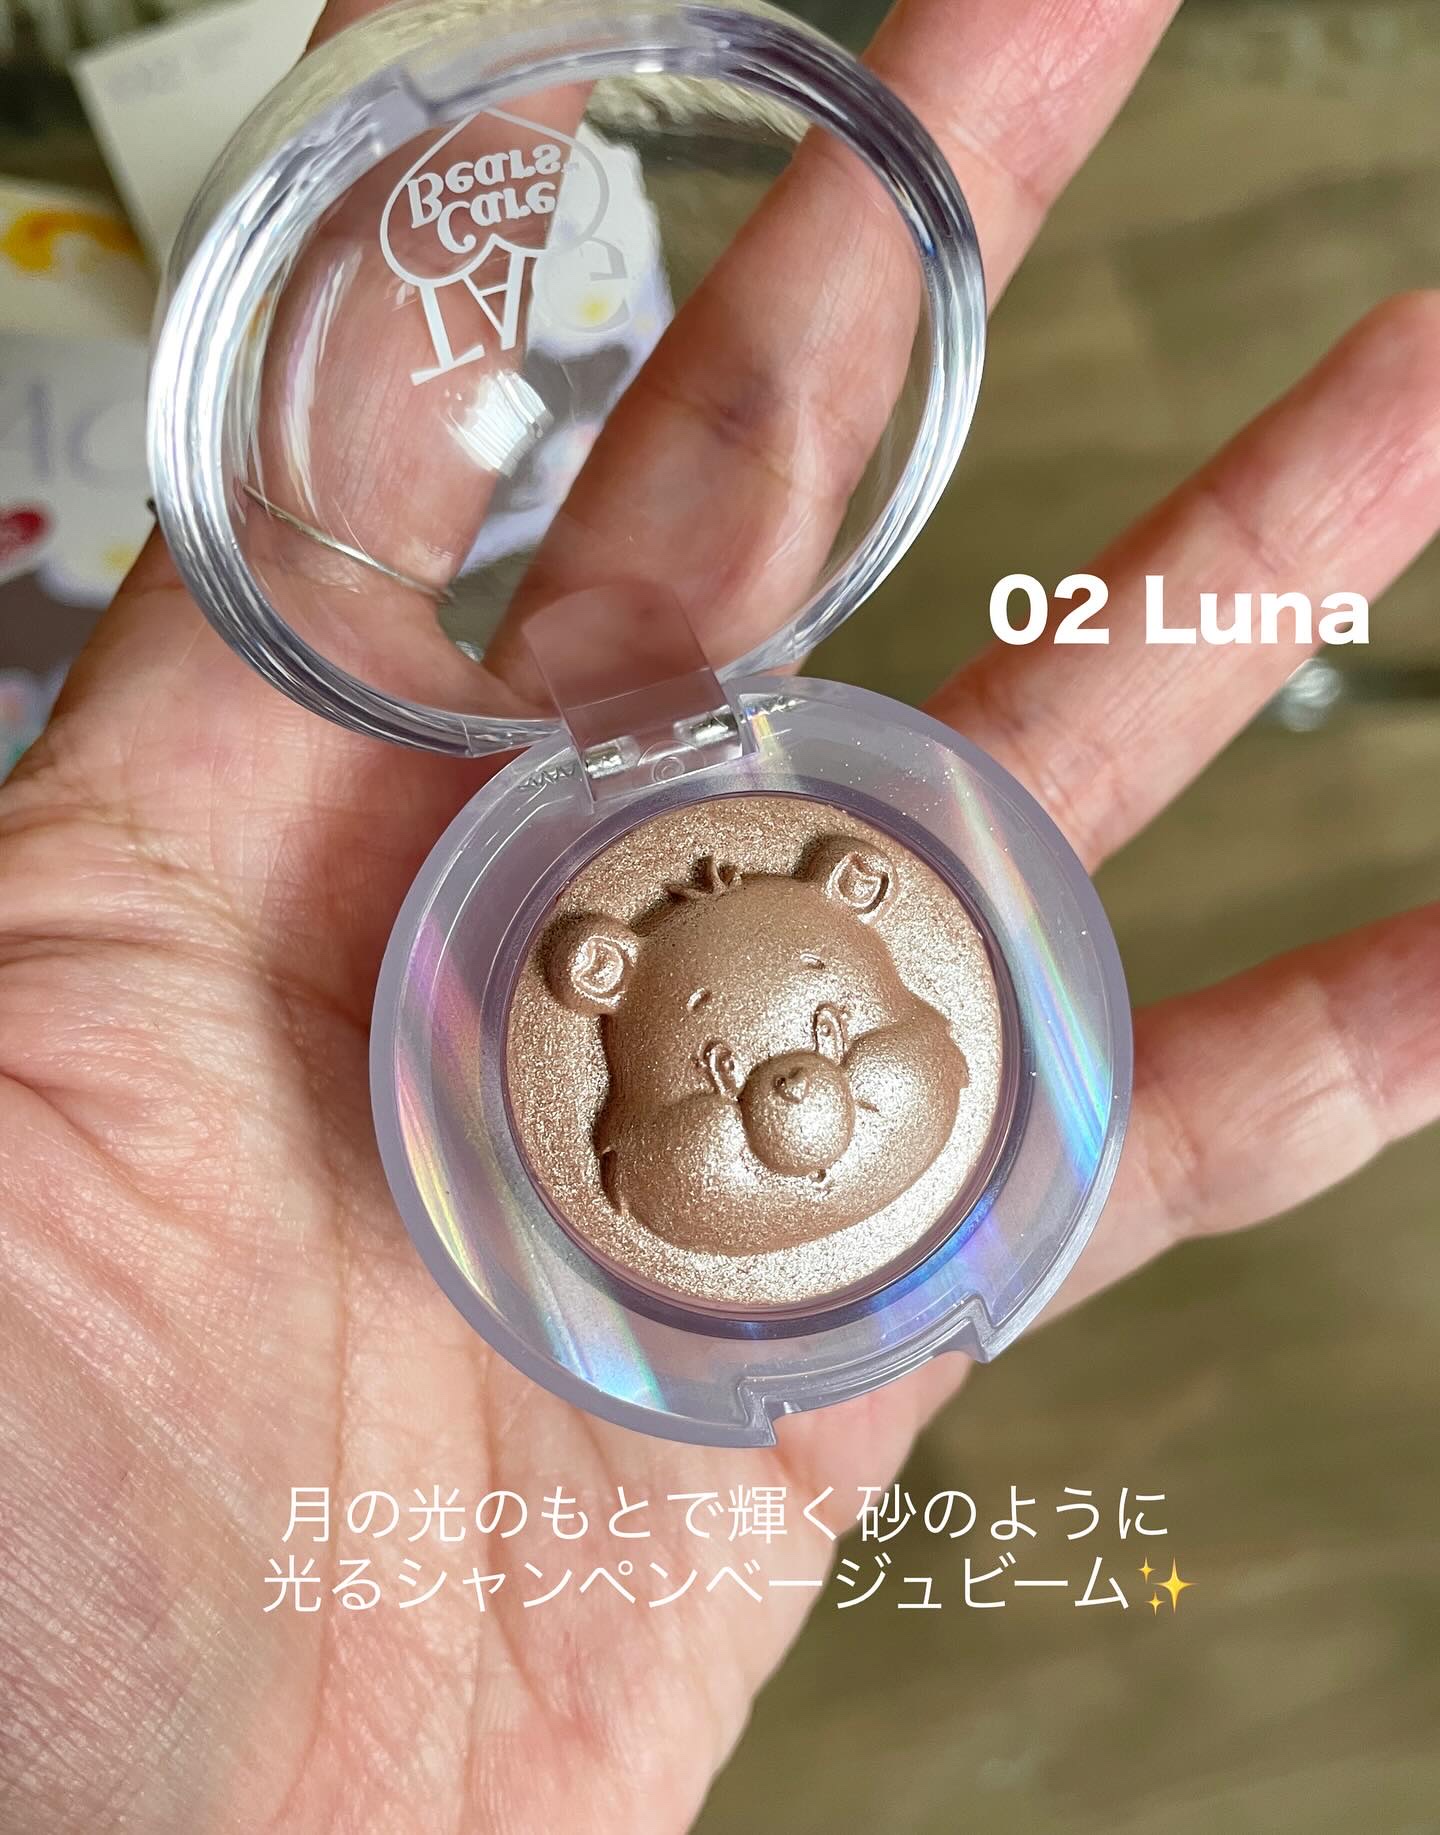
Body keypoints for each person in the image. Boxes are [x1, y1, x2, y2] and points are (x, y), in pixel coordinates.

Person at [1, 0, 1437, 1828]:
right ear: (591, 977)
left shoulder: (890, 950)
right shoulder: (526, 1075)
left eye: (835, 1026)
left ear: (865, 884)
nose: (803, 1093)